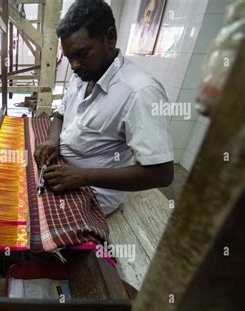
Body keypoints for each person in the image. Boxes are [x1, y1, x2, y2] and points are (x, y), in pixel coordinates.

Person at [34, 0, 174, 216]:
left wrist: (82, 176)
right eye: (70, 57)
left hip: (94, 192)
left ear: (110, 37)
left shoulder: (140, 92)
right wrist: (53, 141)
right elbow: (60, 114)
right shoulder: (83, 75)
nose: (74, 65)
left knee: (32, 216)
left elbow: (162, 174)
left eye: (81, 54)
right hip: (65, 169)